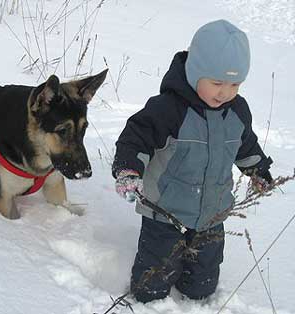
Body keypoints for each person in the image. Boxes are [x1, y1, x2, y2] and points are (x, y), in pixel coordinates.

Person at [112, 19, 273, 303]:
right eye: (217, 82)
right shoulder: (168, 109)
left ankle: (196, 300)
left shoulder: (237, 111)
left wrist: (258, 170)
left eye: (235, 83)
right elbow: (135, 138)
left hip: (212, 214)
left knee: (203, 282)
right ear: (195, 71)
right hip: (164, 214)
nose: (225, 92)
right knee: (153, 280)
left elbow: (245, 145)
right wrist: (128, 170)